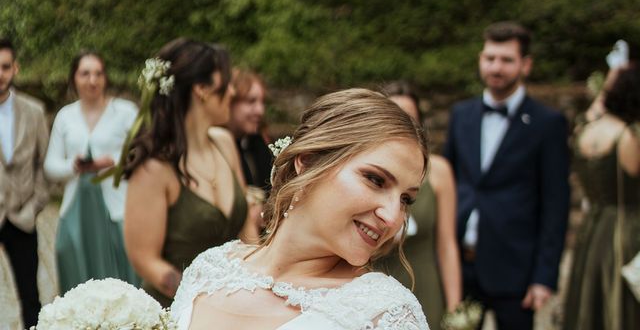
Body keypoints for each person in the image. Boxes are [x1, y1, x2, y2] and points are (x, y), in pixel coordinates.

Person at [170, 88, 430, 329]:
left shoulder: (386, 315)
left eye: (406, 199)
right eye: (375, 180)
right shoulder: (209, 269)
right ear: (307, 162)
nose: (393, 217)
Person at [443, 21, 570, 330]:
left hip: (515, 271)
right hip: (461, 265)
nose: (495, 67)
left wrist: (544, 277)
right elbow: (447, 180)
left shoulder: (548, 123)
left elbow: (556, 204)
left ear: (525, 65)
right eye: (490, 58)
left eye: (506, 60)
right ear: (480, 59)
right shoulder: (461, 114)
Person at [122, 38, 257, 308]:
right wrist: (205, 300)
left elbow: (247, 234)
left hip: (238, 304)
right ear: (202, 90)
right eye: (226, 83)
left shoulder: (224, 143)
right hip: (177, 309)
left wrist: (259, 282)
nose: (231, 92)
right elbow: (145, 260)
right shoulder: (154, 168)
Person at [44, 50, 139, 293]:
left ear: (106, 77)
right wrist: (73, 166)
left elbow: (141, 154)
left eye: (98, 73)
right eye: (85, 73)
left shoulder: (125, 112)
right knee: (68, 254)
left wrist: (112, 162)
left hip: (116, 206)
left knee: (122, 273)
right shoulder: (66, 116)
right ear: (74, 78)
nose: (92, 80)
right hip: (77, 205)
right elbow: (50, 165)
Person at [562, 42, 640, 330]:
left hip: (594, 227)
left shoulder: (585, 130)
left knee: (589, 297)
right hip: (627, 228)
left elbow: (596, 109)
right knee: (621, 303)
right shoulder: (630, 137)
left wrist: (610, 81)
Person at [380, 82, 461, 329]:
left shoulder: (439, 171)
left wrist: (456, 310)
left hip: (424, 287)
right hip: (377, 284)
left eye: (409, 119)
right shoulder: (370, 174)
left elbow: (447, 244)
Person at [0, 38, 49, 328]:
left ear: (15, 68)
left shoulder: (34, 111)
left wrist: (35, 205)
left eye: (5, 67)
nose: (0, 73)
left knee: (30, 297)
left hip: (22, 218)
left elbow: (43, 164)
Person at [227, 68, 273, 190]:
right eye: (251, 101)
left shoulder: (259, 142)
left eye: (263, 102)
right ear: (230, 101)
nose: (260, 111)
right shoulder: (218, 148)